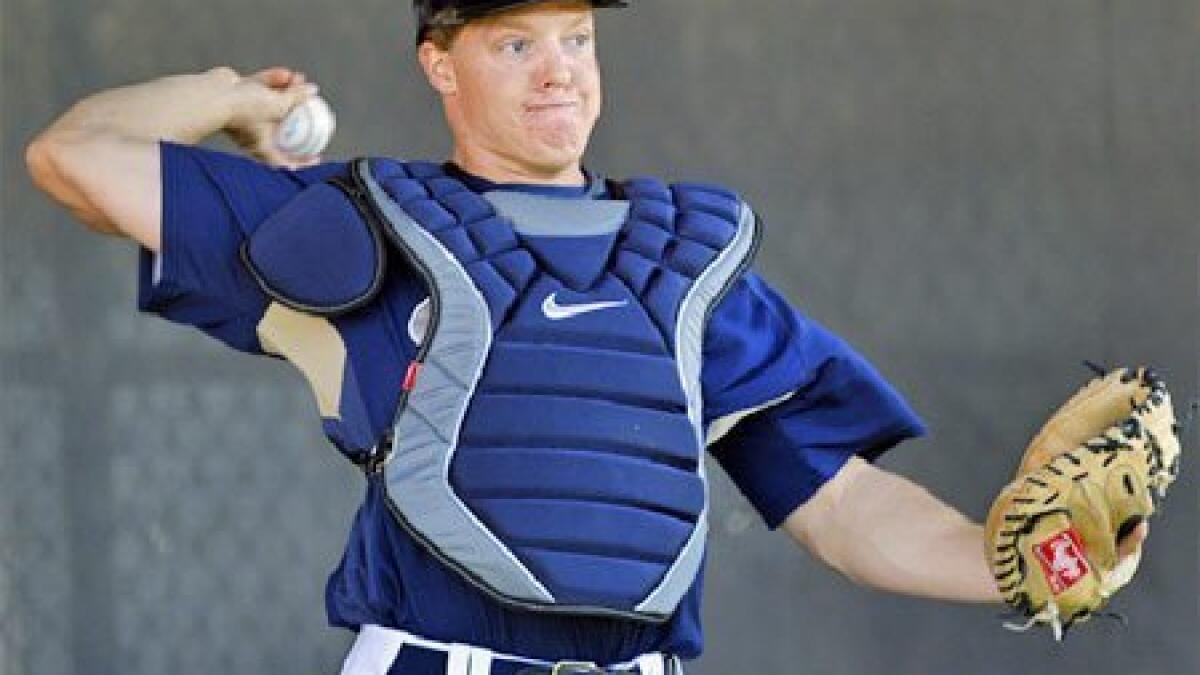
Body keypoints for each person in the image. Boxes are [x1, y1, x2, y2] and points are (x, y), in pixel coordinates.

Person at [25, 1, 1148, 674]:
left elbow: (840, 504)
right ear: (440, 59)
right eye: (516, 42)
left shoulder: (686, 264)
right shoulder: (354, 227)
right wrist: (229, 96)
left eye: (574, 34)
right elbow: (75, 156)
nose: (560, 66)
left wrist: (1014, 565)